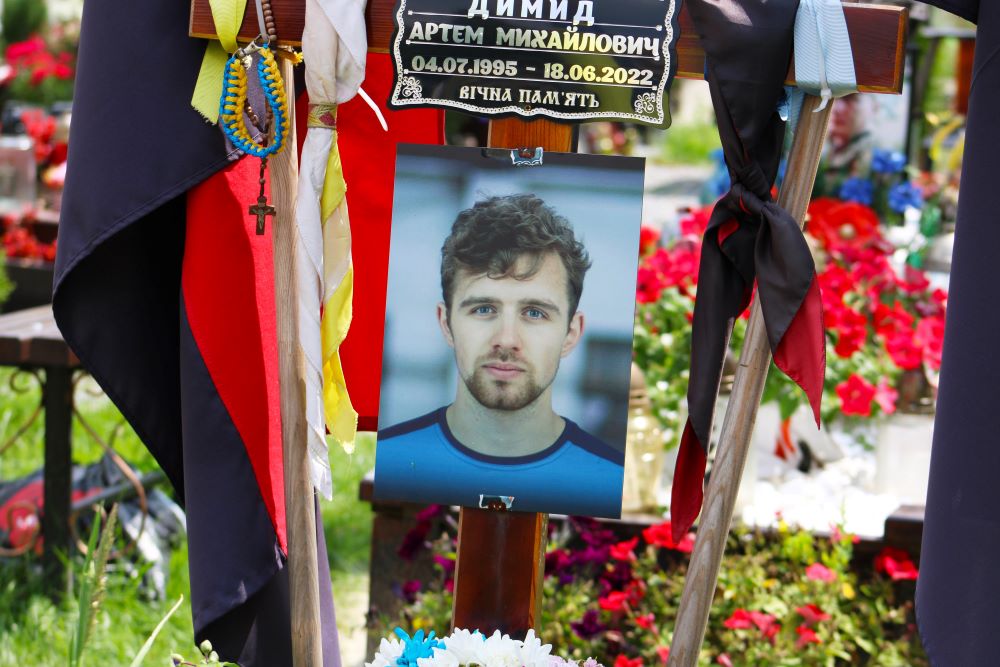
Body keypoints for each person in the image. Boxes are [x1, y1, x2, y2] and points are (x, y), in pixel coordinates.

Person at [374, 194, 625, 518]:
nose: (506, 340)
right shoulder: (391, 468)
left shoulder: (607, 486)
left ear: (571, 333)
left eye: (534, 313)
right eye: (483, 309)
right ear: (446, 323)